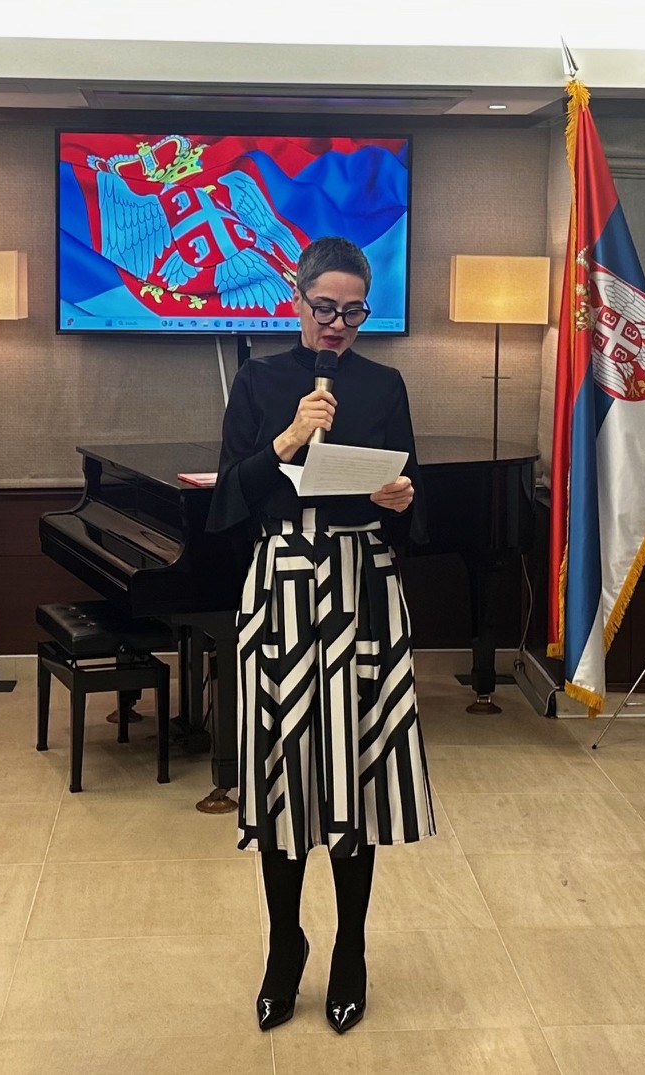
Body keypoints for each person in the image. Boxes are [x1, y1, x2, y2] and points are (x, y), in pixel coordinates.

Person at [206, 235, 435, 1035]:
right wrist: (286, 439)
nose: (337, 324)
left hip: (363, 584)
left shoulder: (384, 383)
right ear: (295, 300)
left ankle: (350, 948)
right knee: (282, 774)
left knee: (351, 771)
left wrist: (402, 499)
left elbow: (412, 497)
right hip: (281, 584)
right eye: (324, 308)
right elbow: (227, 501)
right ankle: (284, 944)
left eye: (353, 311)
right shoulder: (258, 381)